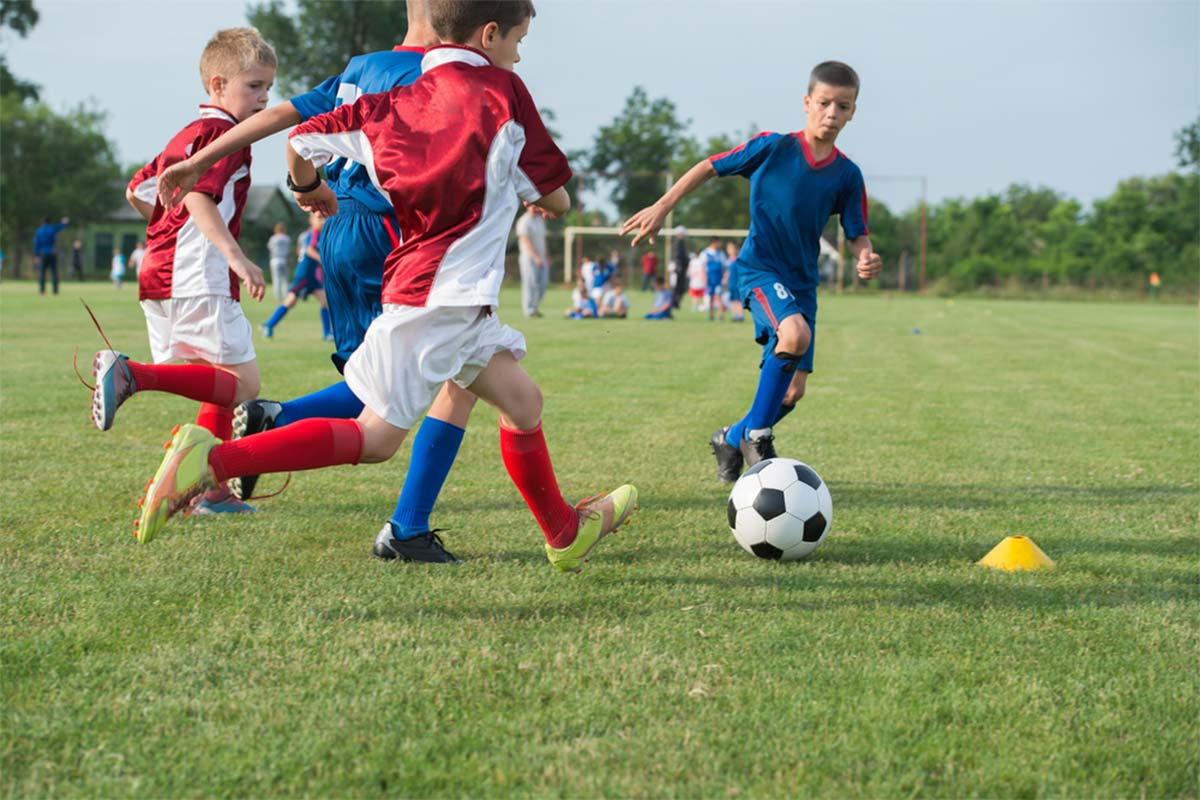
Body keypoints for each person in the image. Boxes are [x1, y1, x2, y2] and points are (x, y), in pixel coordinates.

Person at [135, 0, 639, 573]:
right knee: (374, 439)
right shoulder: (504, 92)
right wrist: (526, 188)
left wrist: (302, 187)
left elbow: (298, 138)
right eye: (519, 41)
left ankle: (564, 533)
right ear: (490, 34)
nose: (520, 55)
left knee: (523, 402)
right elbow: (557, 196)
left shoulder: (389, 103)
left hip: (439, 293)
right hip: (440, 297)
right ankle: (216, 462)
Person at [155, 2, 480, 563]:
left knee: (387, 375)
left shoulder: (360, 67)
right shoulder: (443, 75)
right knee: (422, 387)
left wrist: (296, 183)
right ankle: (405, 526)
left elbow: (287, 123)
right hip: (393, 234)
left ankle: (273, 424)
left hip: (340, 231)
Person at [622, 60, 882, 483]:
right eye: (824, 103)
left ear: (853, 111)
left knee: (793, 391)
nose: (832, 113)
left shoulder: (848, 175)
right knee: (794, 335)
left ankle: (731, 436)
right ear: (806, 103)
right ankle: (757, 436)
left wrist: (865, 255)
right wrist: (663, 205)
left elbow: (857, 233)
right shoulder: (773, 148)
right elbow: (709, 166)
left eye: (843, 106)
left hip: (802, 285)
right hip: (759, 268)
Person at [93, 27, 274, 517]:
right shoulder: (223, 136)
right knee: (243, 385)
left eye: (268, 89)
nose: (263, 98)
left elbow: (138, 191)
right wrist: (235, 255)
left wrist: (166, 234)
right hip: (198, 273)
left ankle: (209, 490)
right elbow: (195, 194)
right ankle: (132, 375)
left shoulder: (184, 134)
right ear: (217, 85)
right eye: (253, 86)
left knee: (216, 376)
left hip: (162, 272)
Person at [261, 213, 332, 340]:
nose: (322, 221)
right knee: (290, 302)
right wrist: (323, 260)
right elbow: (310, 250)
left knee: (324, 301)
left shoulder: (321, 234)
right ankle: (269, 325)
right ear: (311, 220)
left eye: (324, 218)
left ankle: (327, 333)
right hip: (304, 275)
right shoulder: (314, 233)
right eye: (319, 218)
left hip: (312, 276)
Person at [515, 205, 548, 317]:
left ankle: (534, 307)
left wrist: (546, 256)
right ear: (528, 206)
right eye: (532, 205)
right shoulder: (524, 221)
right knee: (531, 284)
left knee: (543, 284)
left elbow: (543, 240)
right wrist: (536, 257)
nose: (534, 208)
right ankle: (529, 310)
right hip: (529, 257)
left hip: (542, 257)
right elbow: (526, 241)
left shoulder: (540, 220)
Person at [33, 215, 69, 295]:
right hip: (52, 253)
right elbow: (60, 226)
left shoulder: (38, 231)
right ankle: (55, 291)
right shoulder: (52, 229)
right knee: (54, 272)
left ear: (42, 222)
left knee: (42, 273)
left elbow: (36, 244)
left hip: (42, 253)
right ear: (50, 222)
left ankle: (42, 291)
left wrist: (36, 255)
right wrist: (64, 222)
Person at [702, 237, 727, 320]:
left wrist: (724, 277)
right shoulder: (705, 253)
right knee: (711, 297)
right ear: (713, 243)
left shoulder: (721, 253)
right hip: (710, 279)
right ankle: (711, 314)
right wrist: (704, 277)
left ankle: (720, 315)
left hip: (718, 279)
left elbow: (724, 266)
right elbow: (703, 266)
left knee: (719, 296)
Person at [266, 223, 292, 301]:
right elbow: (288, 250)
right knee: (285, 279)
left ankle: (278, 297)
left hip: (274, 260)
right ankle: (287, 296)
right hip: (284, 260)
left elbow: (270, 248)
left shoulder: (273, 238)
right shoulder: (287, 238)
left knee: (276, 279)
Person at [725, 240, 745, 322]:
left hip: (737, 283)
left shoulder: (738, 260)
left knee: (738, 300)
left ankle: (740, 315)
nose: (730, 250)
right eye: (729, 249)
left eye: (732, 249)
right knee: (733, 300)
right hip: (731, 283)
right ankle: (734, 315)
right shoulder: (729, 260)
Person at [670, 225, 689, 309]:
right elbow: (678, 256)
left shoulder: (678, 242)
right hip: (679, 268)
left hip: (679, 267)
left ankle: (675, 303)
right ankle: (674, 302)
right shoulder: (678, 242)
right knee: (678, 287)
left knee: (678, 287)